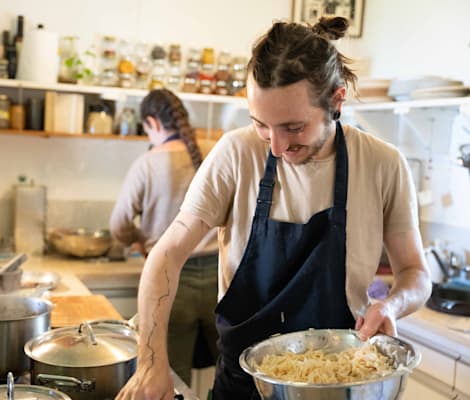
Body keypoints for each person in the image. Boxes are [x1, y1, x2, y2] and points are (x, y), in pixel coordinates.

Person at [116, 16, 431, 400]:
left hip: (337, 383)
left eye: (294, 128)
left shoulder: (383, 163)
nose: (277, 147)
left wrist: (392, 305)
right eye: (261, 124)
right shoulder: (236, 153)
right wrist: (151, 364)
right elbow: (166, 256)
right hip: (243, 386)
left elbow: (415, 272)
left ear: (336, 98)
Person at [109, 89, 219, 386]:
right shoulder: (214, 152)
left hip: (169, 283)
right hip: (221, 281)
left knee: (171, 379)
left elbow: (118, 224)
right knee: (230, 377)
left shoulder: (146, 163)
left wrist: (137, 239)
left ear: (152, 123)